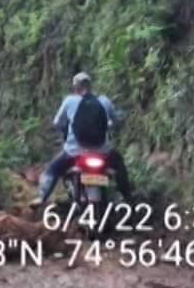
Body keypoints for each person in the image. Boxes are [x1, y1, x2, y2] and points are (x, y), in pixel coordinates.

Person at [30, 72, 131, 208]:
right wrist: (110, 126)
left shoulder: (69, 101)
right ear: (90, 85)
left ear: (75, 87)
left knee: (52, 170)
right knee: (119, 164)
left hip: (74, 151)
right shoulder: (104, 101)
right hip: (102, 151)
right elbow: (117, 122)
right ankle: (128, 198)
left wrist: (64, 128)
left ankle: (42, 198)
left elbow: (57, 123)